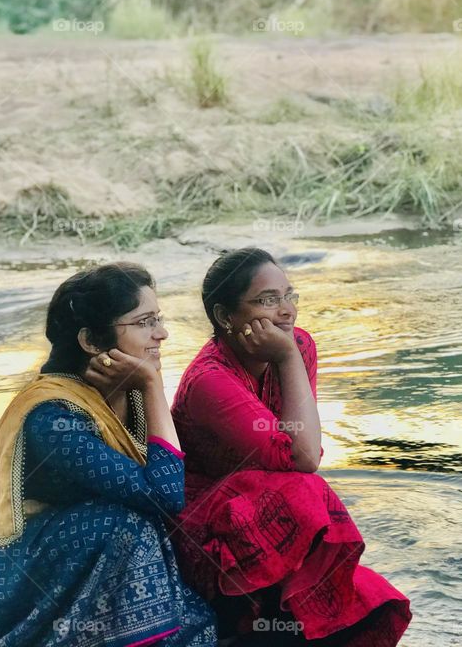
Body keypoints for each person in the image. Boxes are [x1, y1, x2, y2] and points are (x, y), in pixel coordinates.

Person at [169, 247, 411, 646]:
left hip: (270, 508)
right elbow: (301, 458)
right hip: (211, 520)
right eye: (267, 300)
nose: (286, 311)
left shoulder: (298, 347)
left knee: (363, 606)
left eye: (289, 296)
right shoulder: (210, 381)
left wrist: (290, 357)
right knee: (307, 489)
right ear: (225, 317)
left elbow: (304, 448)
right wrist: (285, 354)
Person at [0, 263, 216, 646]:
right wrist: (154, 386)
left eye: (158, 319)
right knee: (124, 523)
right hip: (19, 580)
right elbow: (165, 494)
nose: (162, 334)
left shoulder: (123, 391)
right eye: (144, 323)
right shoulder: (51, 416)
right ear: (90, 340)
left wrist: (147, 387)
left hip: (80, 564)